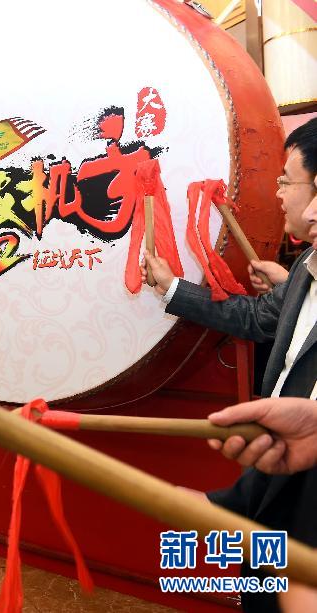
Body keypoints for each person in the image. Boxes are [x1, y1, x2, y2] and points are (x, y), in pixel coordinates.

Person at [145, 118, 317, 612]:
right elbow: (256, 317)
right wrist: (173, 288)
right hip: (277, 483)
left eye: (287, 180)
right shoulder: (305, 269)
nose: (279, 194)